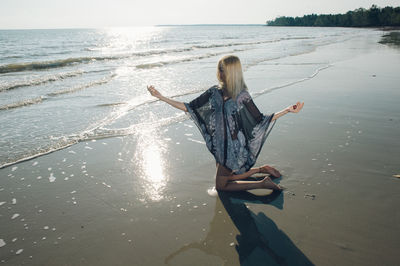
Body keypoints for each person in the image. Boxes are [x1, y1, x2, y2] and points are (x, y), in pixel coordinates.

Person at [147, 55, 304, 192]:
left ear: (232, 72)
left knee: (221, 186)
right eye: (219, 69)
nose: (220, 73)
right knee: (227, 176)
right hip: (219, 144)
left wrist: (287, 110)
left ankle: (263, 184)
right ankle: (261, 170)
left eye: (223, 70)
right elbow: (189, 107)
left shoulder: (242, 95)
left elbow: (260, 120)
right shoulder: (214, 92)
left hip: (233, 147)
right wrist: (161, 97)